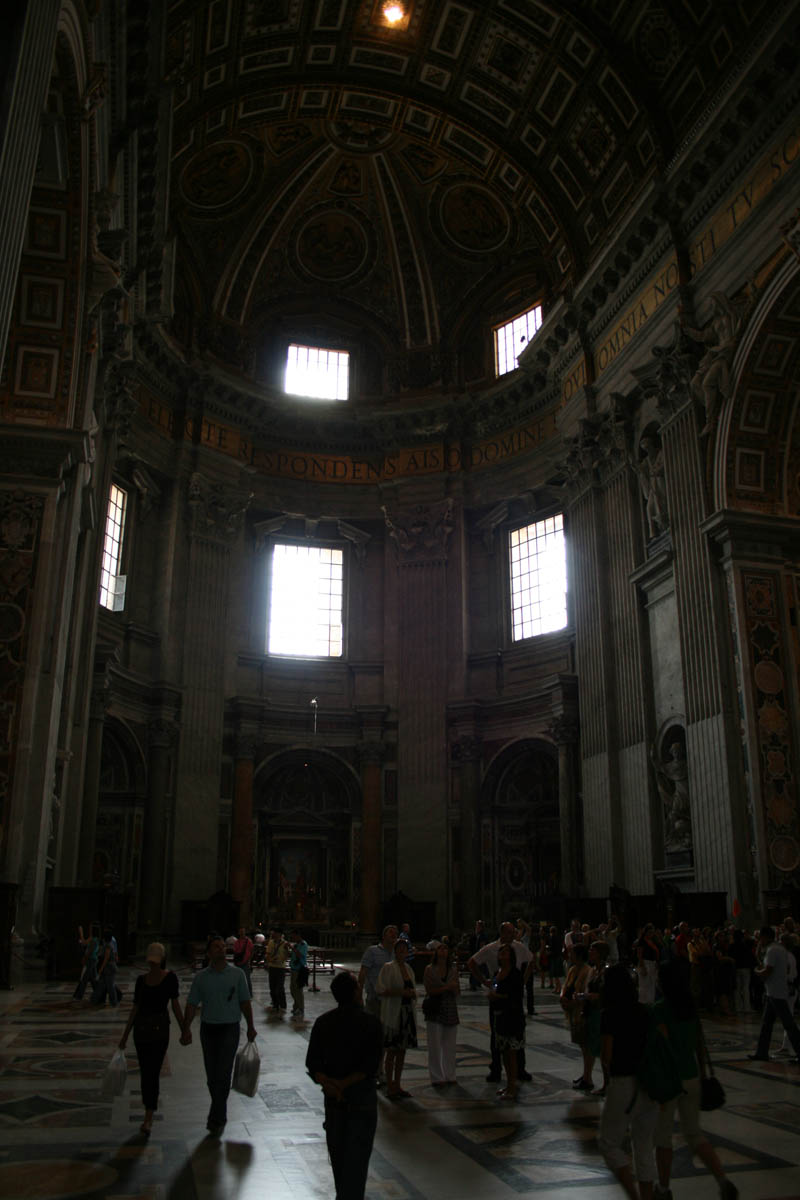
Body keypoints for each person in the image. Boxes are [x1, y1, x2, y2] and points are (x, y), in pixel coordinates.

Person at [653, 962, 738, 1200]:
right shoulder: (690, 1008)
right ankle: (723, 1180)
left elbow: (663, 1047)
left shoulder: (659, 1009)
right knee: (694, 1133)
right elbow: (699, 1045)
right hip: (691, 1076)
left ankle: (663, 1188)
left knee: (662, 1137)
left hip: (670, 1081)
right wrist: (701, 1073)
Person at [306, 971, 383, 1200]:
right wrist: (344, 1083)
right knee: (357, 1164)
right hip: (361, 1099)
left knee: (338, 1158)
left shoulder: (323, 1022)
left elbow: (313, 1063)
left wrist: (330, 1083)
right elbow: (370, 1066)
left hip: (333, 1100)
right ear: (356, 993)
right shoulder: (371, 1023)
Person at [182, 932, 257, 1136]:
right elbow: (192, 1003)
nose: (221, 949)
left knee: (223, 1073)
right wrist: (185, 1027)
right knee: (211, 1075)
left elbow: (244, 1002)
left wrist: (250, 1025)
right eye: (216, 947)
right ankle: (218, 1112)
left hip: (229, 1028)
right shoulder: (201, 978)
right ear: (208, 952)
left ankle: (216, 1117)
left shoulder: (237, 975)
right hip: (208, 1029)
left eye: (223, 946)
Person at [598, 963, 659, 1200]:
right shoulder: (645, 1011)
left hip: (624, 1083)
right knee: (643, 1146)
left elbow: (607, 1055)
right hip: (648, 1083)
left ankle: (633, 1195)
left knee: (609, 1143)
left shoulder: (609, 1014)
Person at [118, 942, 184, 1136]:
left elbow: (176, 1006)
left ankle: (149, 1115)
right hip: (142, 1031)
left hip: (160, 1031)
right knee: (146, 1071)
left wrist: (184, 1029)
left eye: (156, 962)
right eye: (151, 962)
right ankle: (149, 1110)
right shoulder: (141, 981)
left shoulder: (170, 979)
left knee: (152, 1072)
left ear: (162, 960)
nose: (153, 965)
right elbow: (135, 1009)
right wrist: (124, 1036)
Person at [467, 921, 534, 1083]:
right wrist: (485, 981)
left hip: (514, 995)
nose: (512, 935)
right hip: (498, 993)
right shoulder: (491, 949)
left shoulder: (519, 947)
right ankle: (496, 1069)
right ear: (502, 933)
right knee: (497, 1034)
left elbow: (531, 961)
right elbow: (472, 962)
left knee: (517, 1033)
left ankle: (520, 1069)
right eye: (510, 932)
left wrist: (523, 981)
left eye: (513, 932)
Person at [748, 925, 800, 1062]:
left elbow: (767, 971)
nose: (759, 940)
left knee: (788, 1024)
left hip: (776, 993)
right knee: (767, 1023)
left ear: (765, 937)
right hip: (775, 991)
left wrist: (757, 972)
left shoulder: (772, 950)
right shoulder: (780, 949)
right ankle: (761, 1052)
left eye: (760, 937)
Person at [377, 937, 417, 1099]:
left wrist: (413, 993)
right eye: (399, 950)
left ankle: (398, 1084)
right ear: (395, 952)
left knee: (402, 1051)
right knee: (391, 1051)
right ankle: (390, 1086)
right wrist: (400, 993)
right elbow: (381, 989)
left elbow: (412, 987)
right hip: (393, 1012)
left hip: (406, 1013)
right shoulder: (388, 968)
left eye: (404, 950)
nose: (402, 953)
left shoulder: (408, 968)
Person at [490, 944, 525, 1100]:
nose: (502, 954)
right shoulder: (497, 974)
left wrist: (499, 997)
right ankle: (508, 1084)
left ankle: (512, 1086)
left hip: (513, 1017)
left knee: (512, 1053)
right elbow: (495, 988)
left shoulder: (515, 974)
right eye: (500, 952)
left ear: (511, 956)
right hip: (500, 1016)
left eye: (505, 952)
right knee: (504, 1052)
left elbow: (516, 996)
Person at [423, 941, 460, 1086]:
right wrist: (447, 988)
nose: (443, 951)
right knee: (435, 1044)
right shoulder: (429, 969)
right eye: (441, 949)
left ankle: (450, 1075)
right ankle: (437, 1076)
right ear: (436, 952)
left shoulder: (453, 969)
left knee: (450, 1045)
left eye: (446, 948)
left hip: (450, 1007)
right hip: (435, 1008)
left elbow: (456, 990)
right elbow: (429, 990)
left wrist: (453, 988)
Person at [357, 925, 397, 1021]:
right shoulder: (372, 951)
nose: (394, 934)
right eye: (390, 932)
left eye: (395, 933)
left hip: (392, 997)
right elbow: (363, 972)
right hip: (375, 997)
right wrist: (359, 995)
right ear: (383, 936)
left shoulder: (396, 953)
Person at [266, 927, 290, 1016]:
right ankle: (275, 1005)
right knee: (272, 987)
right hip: (272, 967)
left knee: (280, 987)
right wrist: (270, 959)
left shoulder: (285, 943)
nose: (273, 934)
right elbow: (268, 954)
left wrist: (285, 956)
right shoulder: (271, 942)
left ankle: (283, 1005)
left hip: (280, 967)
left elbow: (287, 955)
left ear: (279, 934)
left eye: (275, 933)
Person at [92, 927, 118, 1006]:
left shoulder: (108, 946)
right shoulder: (106, 945)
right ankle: (94, 1000)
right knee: (101, 985)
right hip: (107, 968)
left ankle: (113, 1002)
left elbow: (106, 959)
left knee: (110, 986)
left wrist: (101, 969)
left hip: (109, 968)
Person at [73, 923, 100, 1000]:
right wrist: (81, 933)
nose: (89, 930)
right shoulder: (92, 938)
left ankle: (79, 995)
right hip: (92, 960)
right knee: (93, 979)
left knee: (84, 978)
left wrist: (84, 958)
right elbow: (84, 943)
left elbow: (89, 951)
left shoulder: (94, 940)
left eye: (91, 929)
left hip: (91, 960)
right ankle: (98, 993)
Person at [289, 930, 309, 1020]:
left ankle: (300, 1009)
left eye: (294, 936)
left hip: (299, 970)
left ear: (298, 935)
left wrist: (292, 948)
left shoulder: (303, 945)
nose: (293, 938)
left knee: (298, 990)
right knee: (293, 989)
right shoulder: (296, 945)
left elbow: (300, 955)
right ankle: (296, 1006)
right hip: (293, 969)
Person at [232, 927, 254, 996]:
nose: (241, 933)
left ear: (245, 932)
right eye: (240, 931)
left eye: (243, 931)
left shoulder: (249, 941)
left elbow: (252, 951)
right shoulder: (236, 942)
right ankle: (240, 993)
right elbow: (235, 952)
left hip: (246, 962)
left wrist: (249, 960)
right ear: (238, 933)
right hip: (238, 963)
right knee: (238, 979)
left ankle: (249, 994)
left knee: (247, 979)